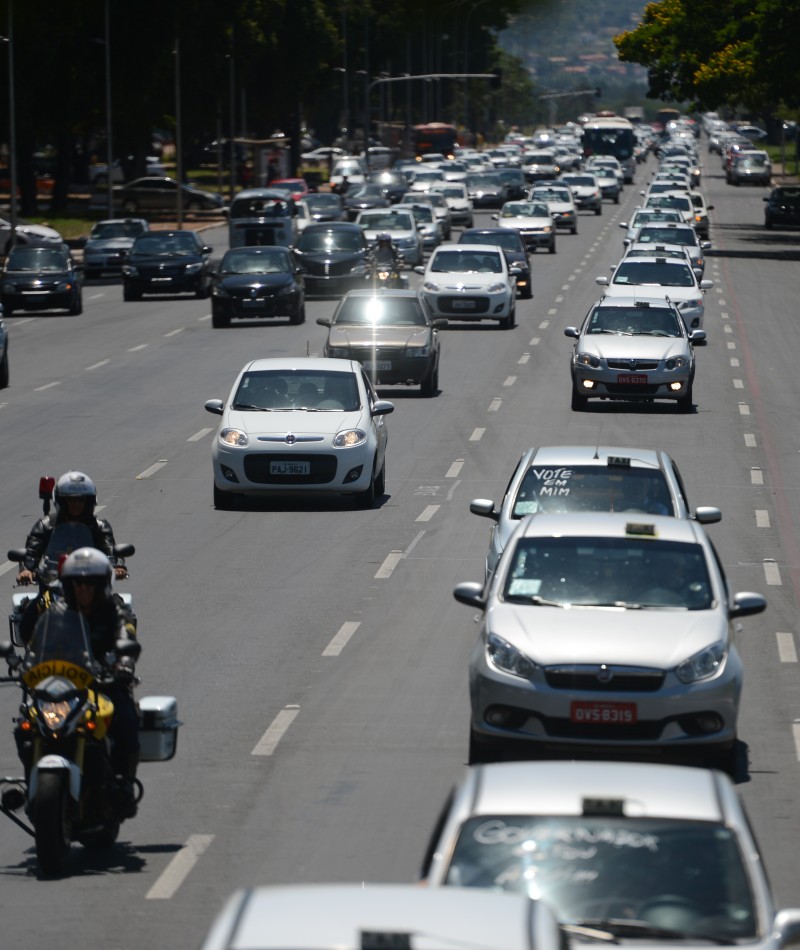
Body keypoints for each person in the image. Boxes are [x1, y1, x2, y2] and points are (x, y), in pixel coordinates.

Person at [59, 547, 141, 817]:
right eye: (77, 583)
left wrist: (124, 665)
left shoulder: (115, 610)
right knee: (28, 723)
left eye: (89, 583)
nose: (83, 589)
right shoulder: (59, 611)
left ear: (101, 585)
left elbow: (126, 635)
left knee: (127, 717)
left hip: (104, 684)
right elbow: (35, 639)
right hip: (64, 687)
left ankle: (123, 783)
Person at [16, 471, 128, 584]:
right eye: (71, 500)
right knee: (24, 602)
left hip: (91, 585)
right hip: (52, 582)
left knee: (118, 602)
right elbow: (32, 552)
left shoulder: (99, 526)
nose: (76, 504)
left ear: (88, 502)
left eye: (81, 500)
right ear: (62, 501)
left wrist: (117, 566)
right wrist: (26, 570)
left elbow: (109, 548)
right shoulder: (46, 525)